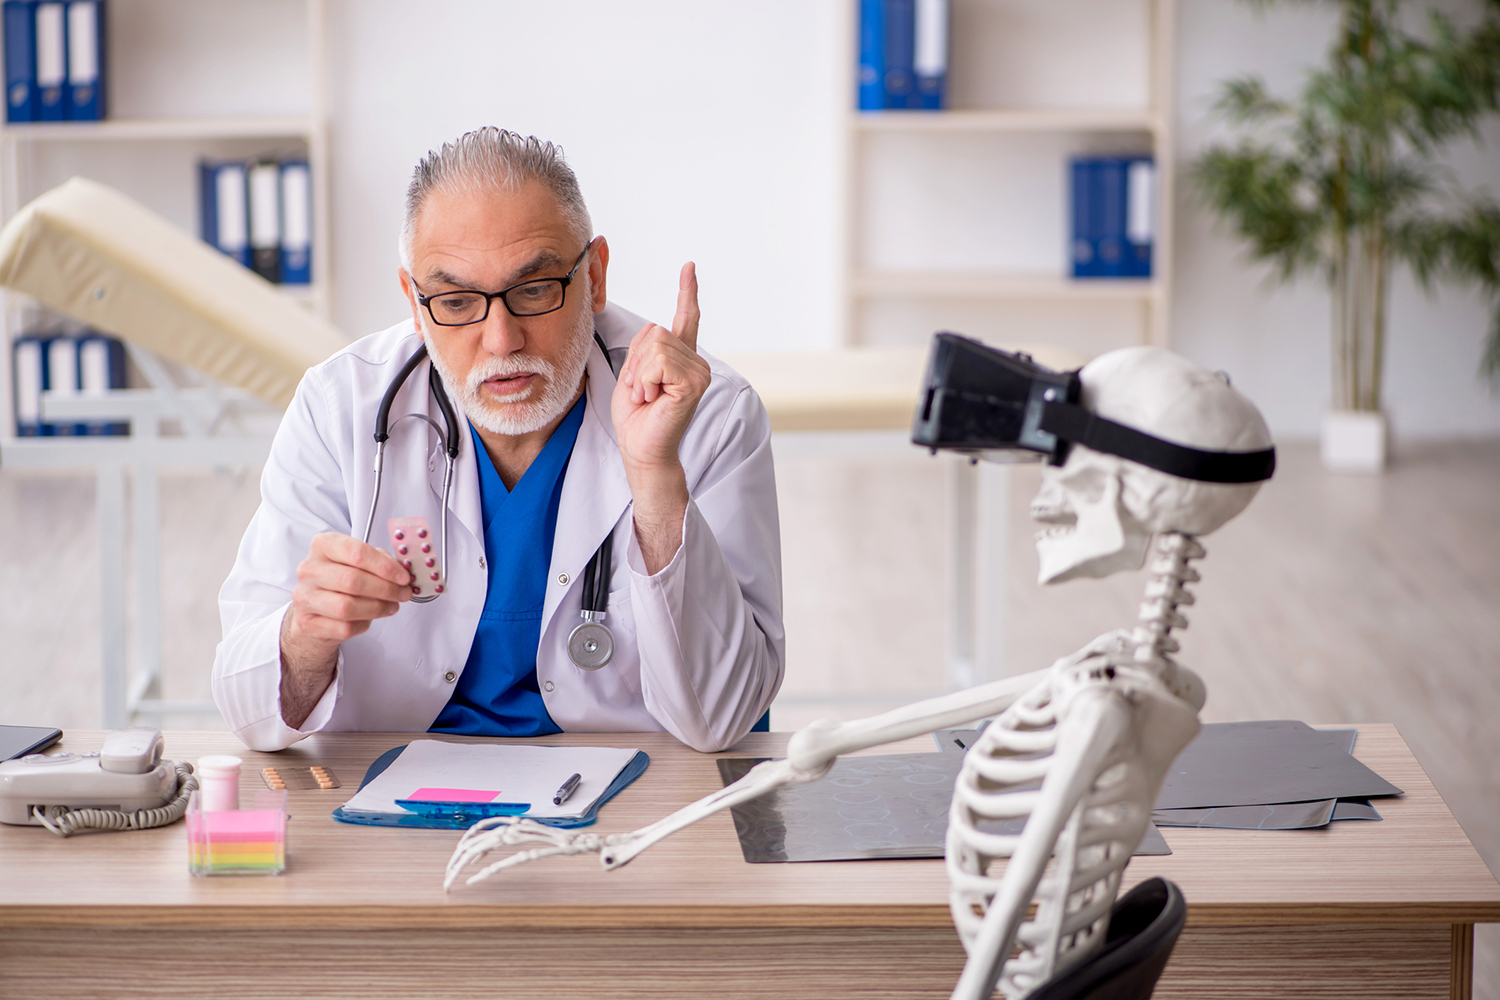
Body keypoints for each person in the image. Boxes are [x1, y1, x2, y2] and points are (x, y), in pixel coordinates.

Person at [213, 128, 784, 753]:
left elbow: (726, 717)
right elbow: (248, 714)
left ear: (594, 277)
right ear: (414, 301)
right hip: (395, 795)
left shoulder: (707, 413)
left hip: (635, 801)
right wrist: (304, 636)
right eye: (456, 301)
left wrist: (653, 478)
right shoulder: (340, 408)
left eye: (534, 290)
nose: (501, 339)